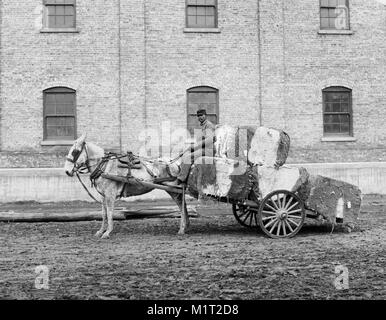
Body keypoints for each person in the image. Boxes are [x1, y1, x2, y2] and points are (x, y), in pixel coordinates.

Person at [166, 109, 216, 185]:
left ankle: (180, 180)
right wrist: (191, 148)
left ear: (205, 115)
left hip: (208, 151)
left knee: (189, 157)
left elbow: (209, 140)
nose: (200, 117)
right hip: (203, 149)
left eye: (202, 115)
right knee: (185, 155)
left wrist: (194, 147)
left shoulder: (209, 125)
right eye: (198, 116)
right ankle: (185, 177)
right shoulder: (203, 126)